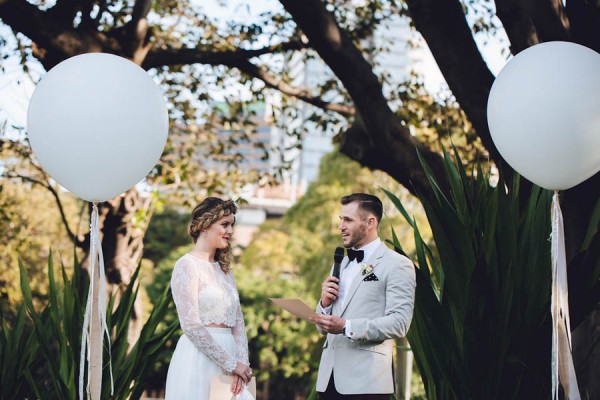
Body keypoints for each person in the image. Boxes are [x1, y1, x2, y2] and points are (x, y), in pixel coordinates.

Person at [313, 193, 416, 399]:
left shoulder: (397, 264)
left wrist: (346, 326)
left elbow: (399, 323)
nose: (341, 226)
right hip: (328, 381)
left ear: (370, 223)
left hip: (367, 383)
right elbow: (322, 327)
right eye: (341, 219)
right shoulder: (340, 263)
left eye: (348, 220)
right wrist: (324, 304)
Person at [165, 197, 253, 399]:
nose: (230, 231)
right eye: (225, 224)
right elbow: (191, 326)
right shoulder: (186, 266)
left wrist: (242, 365)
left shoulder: (225, 271)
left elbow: (238, 322)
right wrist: (232, 364)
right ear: (205, 226)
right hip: (198, 360)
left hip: (232, 363)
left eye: (232, 225)